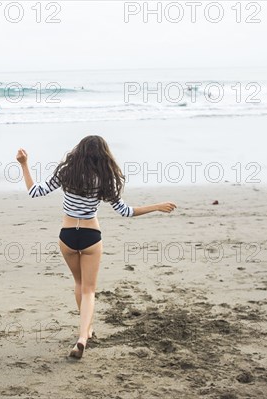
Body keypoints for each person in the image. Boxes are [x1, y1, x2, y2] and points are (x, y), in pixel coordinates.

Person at [16, 136, 176, 359]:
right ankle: (83, 337)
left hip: (68, 236)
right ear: (103, 156)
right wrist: (156, 206)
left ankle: (87, 329)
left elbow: (34, 191)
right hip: (91, 236)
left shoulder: (66, 173)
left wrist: (24, 164)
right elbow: (126, 211)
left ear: (78, 153)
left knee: (79, 283)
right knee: (89, 289)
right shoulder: (104, 178)